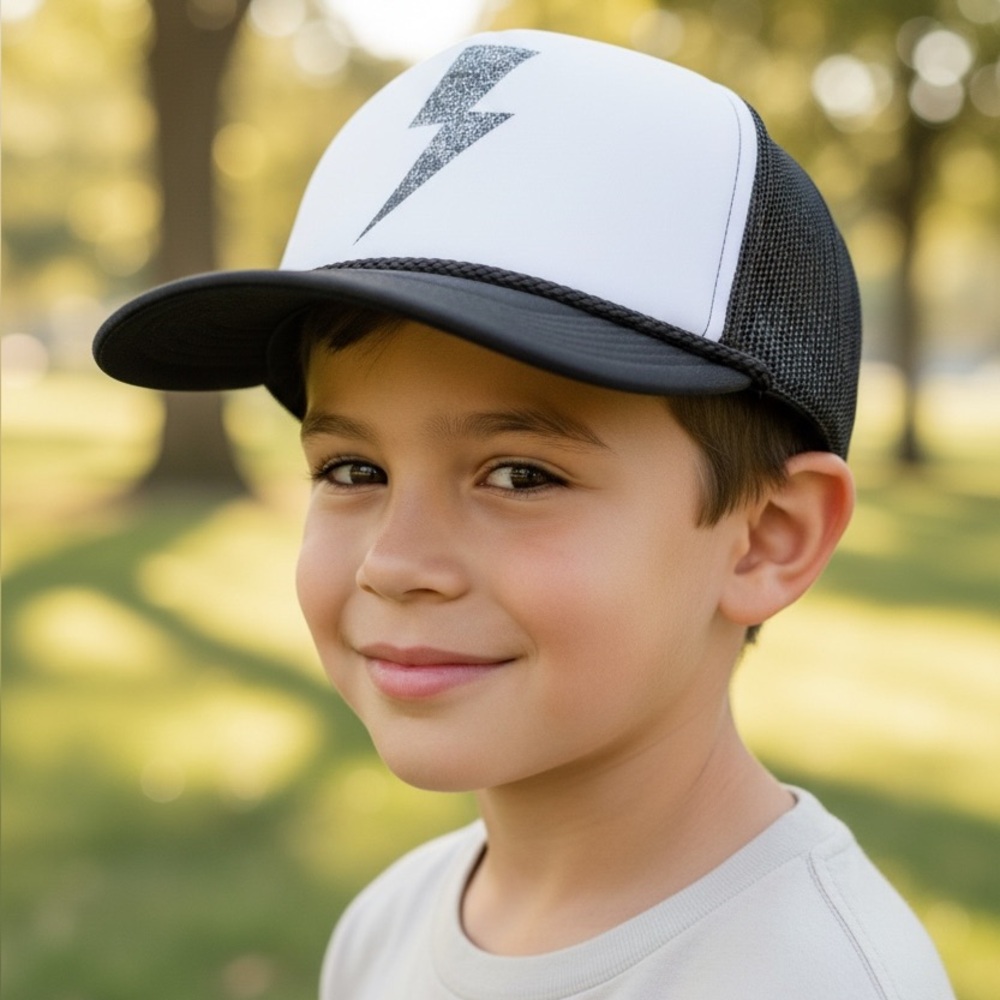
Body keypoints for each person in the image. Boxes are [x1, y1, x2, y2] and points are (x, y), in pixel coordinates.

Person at [94, 28, 955, 1000]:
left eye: (517, 476)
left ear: (767, 537)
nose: (394, 560)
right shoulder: (391, 919)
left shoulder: (808, 977)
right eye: (350, 468)